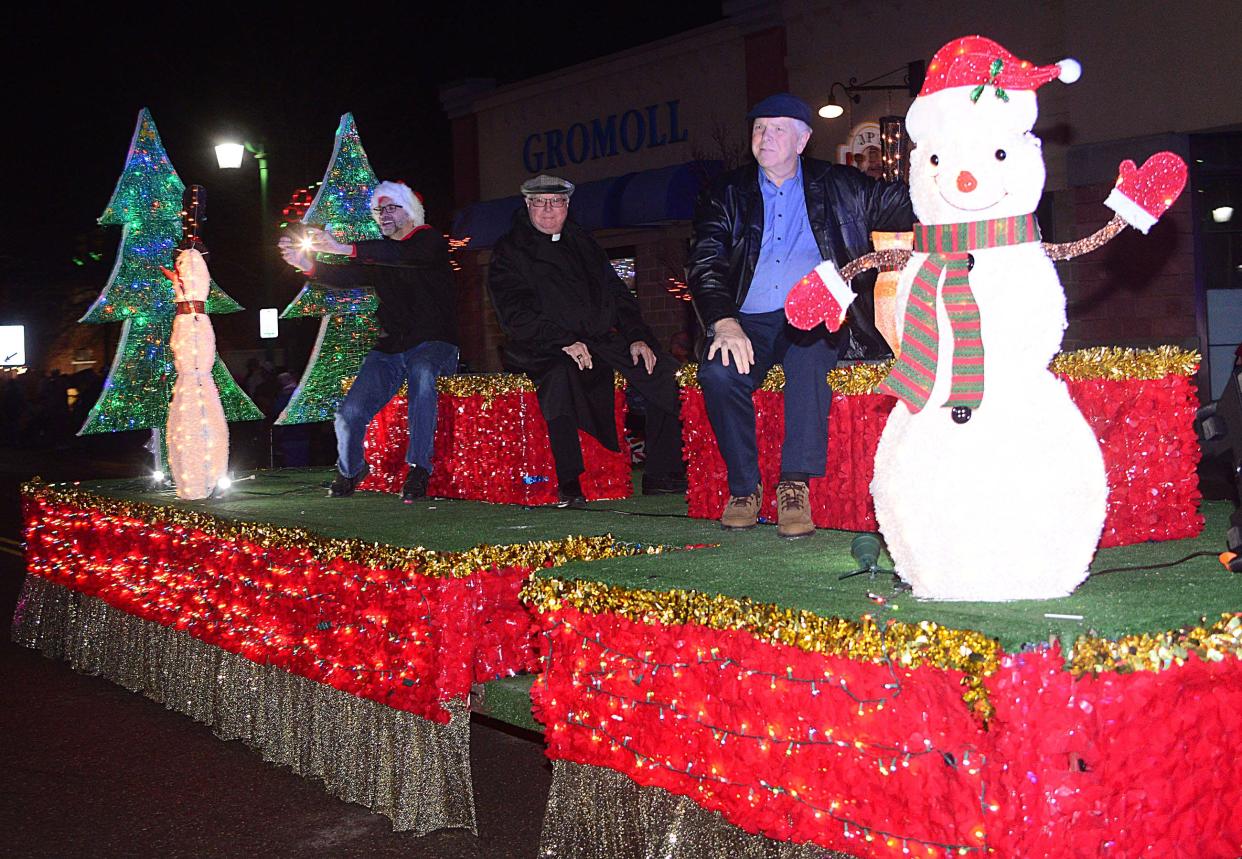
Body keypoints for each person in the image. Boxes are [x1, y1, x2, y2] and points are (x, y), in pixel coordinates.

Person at [688, 93, 912, 538]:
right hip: (746, 319)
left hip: (811, 312)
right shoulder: (726, 193)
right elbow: (706, 262)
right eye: (758, 128)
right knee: (717, 372)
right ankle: (744, 489)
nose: (764, 137)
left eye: (776, 129)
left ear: (803, 139)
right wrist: (724, 322)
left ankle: (794, 484)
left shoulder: (841, 185)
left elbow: (906, 201)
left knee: (811, 356)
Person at [488, 174, 687, 507]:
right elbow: (514, 313)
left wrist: (638, 337)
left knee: (663, 371)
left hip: (597, 339)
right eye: (540, 202)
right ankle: (569, 481)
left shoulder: (583, 242)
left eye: (556, 202)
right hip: (539, 344)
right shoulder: (510, 250)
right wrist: (563, 339)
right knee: (560, 375)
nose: (548, 210)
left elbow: (617, 294)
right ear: (527, 204)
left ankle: (663, 473)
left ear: (568, 205)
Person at [278, 180, 458, 502]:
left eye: (392, 208)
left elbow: (404, 255)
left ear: (411, 211)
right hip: (391, 348)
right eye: (380, 210)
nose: (384, 214)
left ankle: (419, 467)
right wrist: (308, 264)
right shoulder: (381, 254)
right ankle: (351, 469)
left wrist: (344, 247)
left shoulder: (427, 240)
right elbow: (349, 275)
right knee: (348, 412)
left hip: (433, 343)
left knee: (422, 373)